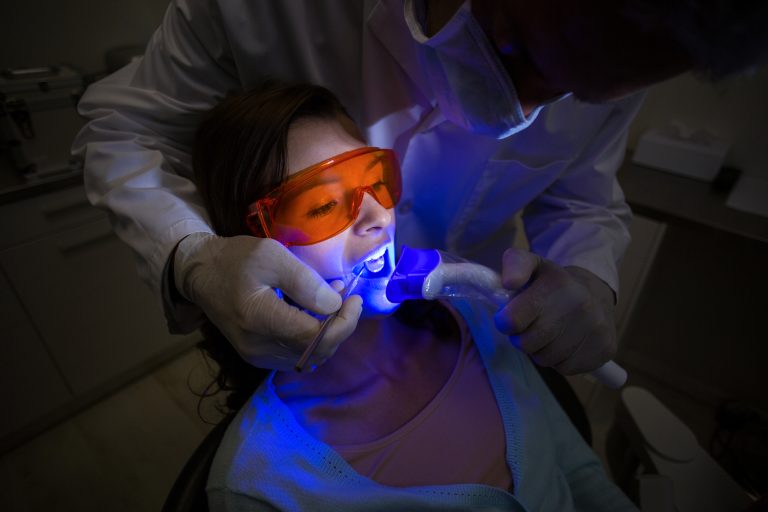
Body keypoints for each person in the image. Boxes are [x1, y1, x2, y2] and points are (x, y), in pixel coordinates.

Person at [72, 1, 768, 378]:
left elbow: (582, 192)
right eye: (516, 48)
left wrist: (589, 280)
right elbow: (124, 128)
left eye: (573, 91)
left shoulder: (625, 49)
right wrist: (191, 258)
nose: (514, 115)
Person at [195, 80, 638, 511]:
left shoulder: (476, 316)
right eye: (323, 206)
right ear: (248, 256)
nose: (377, 217)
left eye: (375, 181)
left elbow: (577, 471)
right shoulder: (260, 486)